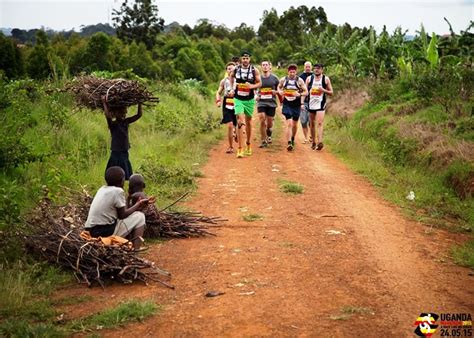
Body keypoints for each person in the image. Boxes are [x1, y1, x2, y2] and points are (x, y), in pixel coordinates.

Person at [84, 166, 149, 250]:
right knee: (140, 216)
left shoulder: (102, 189)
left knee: (124, 219)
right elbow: (123, 215)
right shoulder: (118, 191)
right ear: (122, 180)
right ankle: (136, 249)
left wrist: (128, 198)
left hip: (90, 231)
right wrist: (138, 204)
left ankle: (127, 245)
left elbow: (123, 211)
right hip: (104, 233)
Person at [229, 51, 261, 158]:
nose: (245, 60)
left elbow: (260, 83)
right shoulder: (236, 69)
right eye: (243, 58)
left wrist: (251, 86)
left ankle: (248, 144)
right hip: (238, 98)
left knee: (249, 122)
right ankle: (240, 148)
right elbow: (231, 76)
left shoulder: (254, 70)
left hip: (249, 99)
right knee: (239, 120)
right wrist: (232, 87)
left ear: (249, 59)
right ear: (241, 59)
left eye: (247, 59)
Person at [102, 98, 142, 180]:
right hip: (115, 152)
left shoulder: (126, 122)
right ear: (115, 113)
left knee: (124, 174)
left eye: (124, 113)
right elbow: (107, 115)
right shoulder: (112, 124)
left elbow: (139, 115)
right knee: (114, 173)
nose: (123, 114)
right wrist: (104, 103)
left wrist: (139, 103)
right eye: (120, 113)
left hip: (124, 151)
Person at [278, 64, 308, 151]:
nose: (292, 74)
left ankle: (292, 139)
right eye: (290, 72)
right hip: (287, 103)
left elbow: (306, 92)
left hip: (296, 104)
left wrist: (299, 94)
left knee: (295, 124)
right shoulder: (283, 80)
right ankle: (289, 143)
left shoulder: (300, 81)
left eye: (293, 72)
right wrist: (280, 92)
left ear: (296, 72)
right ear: (288, 72)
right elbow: (279, 87)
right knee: (289, 123)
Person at [306, 63, 333, 150]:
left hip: (321, 103)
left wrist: (323, 90)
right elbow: (305, 91)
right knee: (312, 124)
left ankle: (320, 142)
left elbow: (331, 92)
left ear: (322, 70)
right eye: (315, 68)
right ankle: (313, 141)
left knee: (320, 123)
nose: (316, 70)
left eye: (318, 68)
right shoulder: (309, 79)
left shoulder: (325, 79)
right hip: (311, 103)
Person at [256, 60, 280, 148]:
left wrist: (276, 92)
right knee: (262, 120)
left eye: (266, 65)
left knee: (269, 124)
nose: (265, 66)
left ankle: (269, 132)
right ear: (261, 67)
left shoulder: (274, 78)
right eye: (263, 65)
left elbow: (280, 90)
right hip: (261, 102)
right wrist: (256, 96)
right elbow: (254, 89)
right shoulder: (258, 78)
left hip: (271, 103)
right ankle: (263, 140)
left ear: (270, 66)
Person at [216, 62, 237, 153]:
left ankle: (236, 132)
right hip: (227, 103)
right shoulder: (223, 81)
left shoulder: (239, 80)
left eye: (232, 69)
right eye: (229, 69)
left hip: (237, 103)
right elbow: (218, 92)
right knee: (230, 125)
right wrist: (218, 101)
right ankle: (231, 147)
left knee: (237, 125)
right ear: (226, 71)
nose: (231, 70)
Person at [299, 61, 313, 144]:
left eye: (309, 66)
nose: (308, 68)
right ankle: (305, 137)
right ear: (304, 67)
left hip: (313, 102)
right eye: (306, 66)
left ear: (311, 67)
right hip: (303, 102)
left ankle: (311, 136)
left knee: (311, 121)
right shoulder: (300, 77)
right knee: (303, 121)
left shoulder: (314, 76)